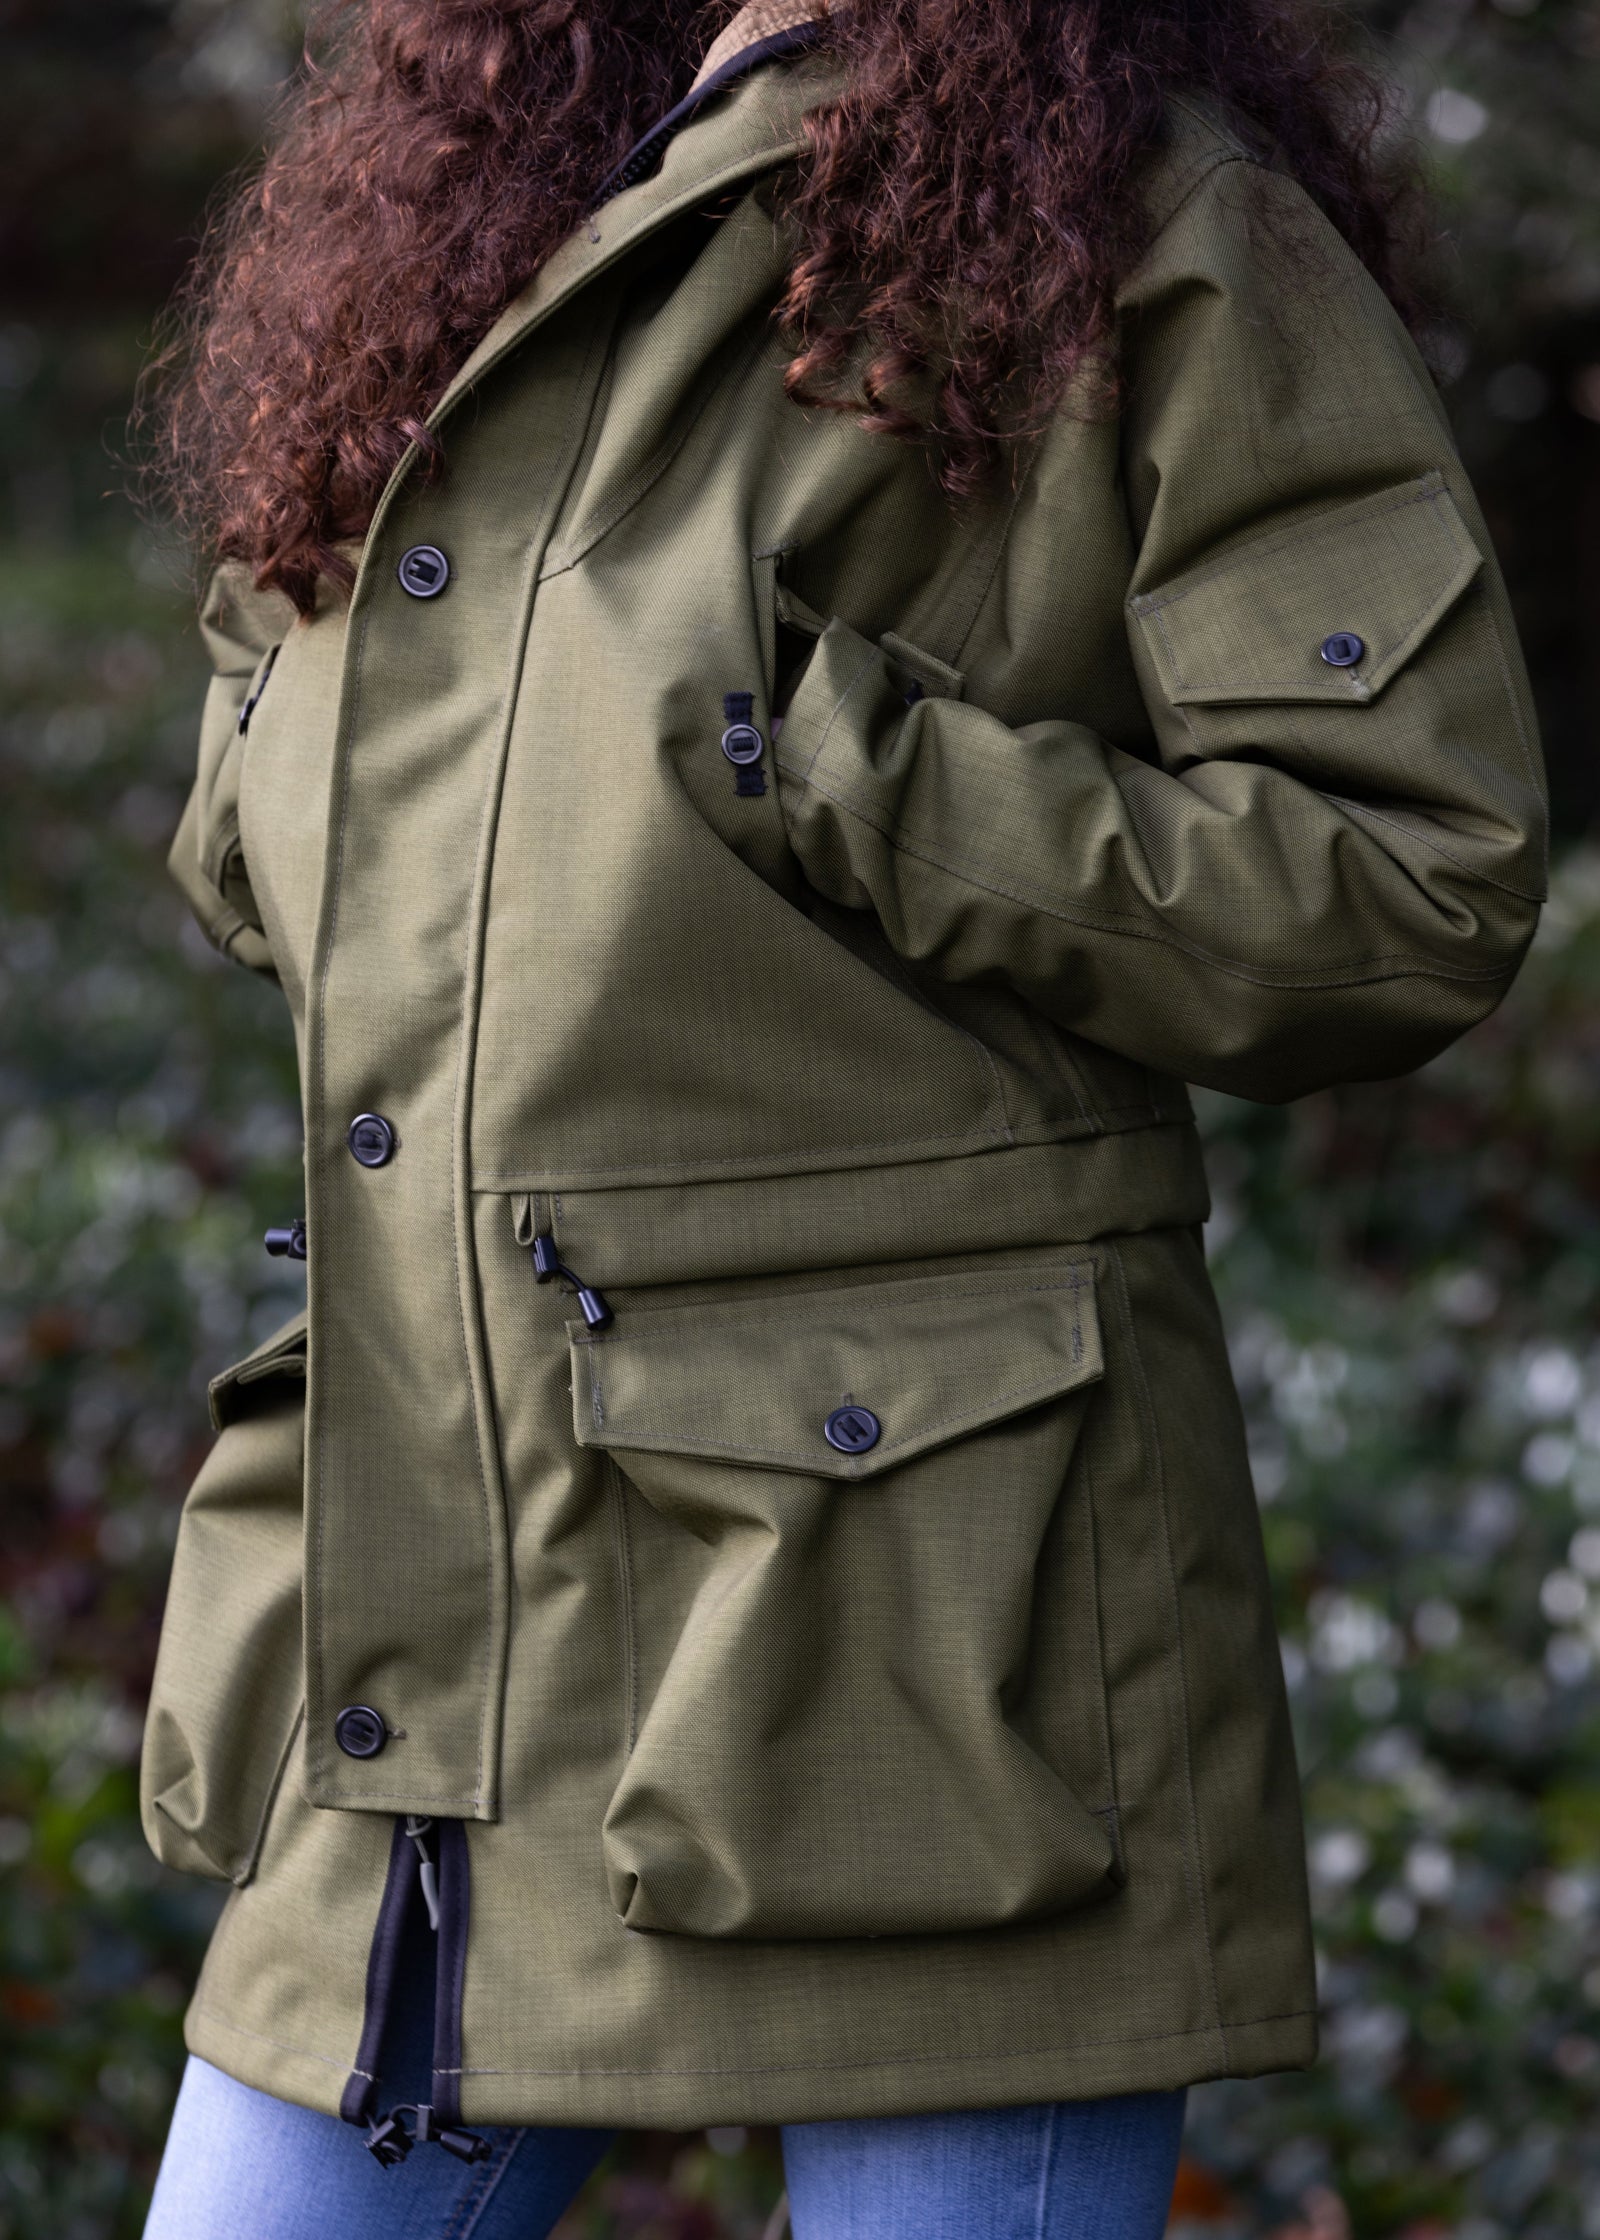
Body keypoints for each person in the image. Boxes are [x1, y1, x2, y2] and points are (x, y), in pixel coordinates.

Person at [135, 0, 1546, 2233]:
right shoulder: (510, 164)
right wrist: (272, 750)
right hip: (453, 1614)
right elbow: (348, 775)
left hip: (932, 1667)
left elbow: (1404, 876)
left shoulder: (1155, 219)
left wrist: (852, 770)